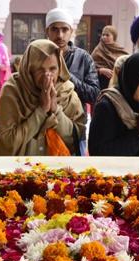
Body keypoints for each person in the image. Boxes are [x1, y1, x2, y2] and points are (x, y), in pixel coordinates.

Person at [0, 39, 86, 156]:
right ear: (29, 70)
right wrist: (41, 111)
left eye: (53, 69)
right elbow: (7, 143)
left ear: (60, 68)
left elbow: (76, 140)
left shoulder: (67, 93)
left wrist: (56, 110)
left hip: (58, 170)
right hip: (19, 170)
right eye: (40, 70)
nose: (47, 76)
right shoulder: (13, 91)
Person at [45, 8, 99, 155]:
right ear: (47, 32)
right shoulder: (39, 56)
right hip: (43, 129)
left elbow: (94, 94)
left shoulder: (83, 58)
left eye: (64, 29)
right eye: (55, 30)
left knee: (74, 174)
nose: (60, 35)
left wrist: (67, 76)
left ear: (71, 32)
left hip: (75, 129)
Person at [91, 25, 129, 90]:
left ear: (114, 37)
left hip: (118, 86)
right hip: (101, 86)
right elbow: (89, 69)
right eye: (103, 35)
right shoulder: (97, 50)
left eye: (107, 35)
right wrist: (100, 70)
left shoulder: (120, 50)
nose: (104, 37)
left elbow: (127, 67)